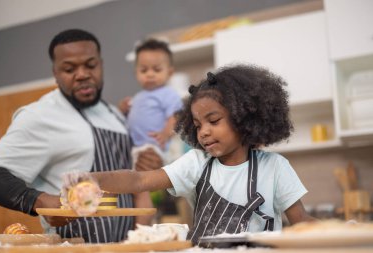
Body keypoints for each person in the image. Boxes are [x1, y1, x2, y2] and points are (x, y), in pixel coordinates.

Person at [70, 64, 315, 244]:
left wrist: (347, 232)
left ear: (244, 118)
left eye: (214, 120)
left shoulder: (275, 167)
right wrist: (95, 179)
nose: (204, 132)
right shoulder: (197, 164)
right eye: (198, 125)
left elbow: (301, 220)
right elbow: (139, 180)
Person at [0, 29, 162, 243]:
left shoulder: (114, 115)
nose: (82, 74)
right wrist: (38, 201)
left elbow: (132, 181)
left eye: (90, 65)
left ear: (101, 65)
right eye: (69, 68)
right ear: (55, 73)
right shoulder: (38, 116)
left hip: (126, 247)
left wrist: (145, 163)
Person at [118, 38, 183, 163]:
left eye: (157, 70)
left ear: (170, 72)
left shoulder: (168, 93)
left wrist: (165, 133)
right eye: (144, 70)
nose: (150, 74)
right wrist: (123, 110)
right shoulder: (137, 97)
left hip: (158, 146)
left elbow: (176, 116)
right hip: (136, 148)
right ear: (136, 73)